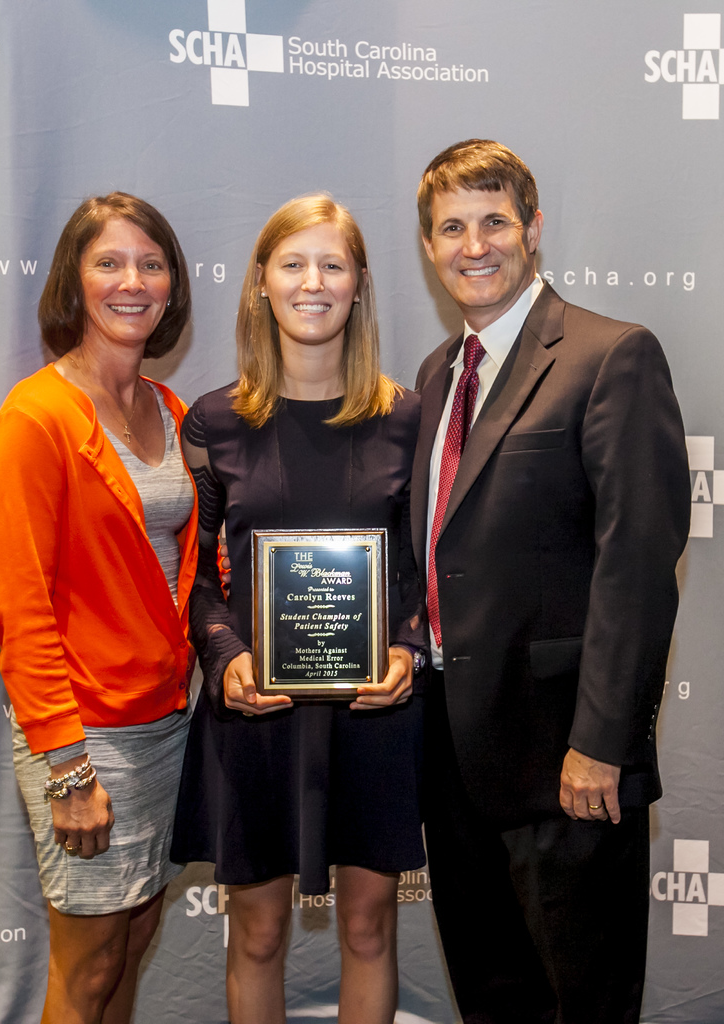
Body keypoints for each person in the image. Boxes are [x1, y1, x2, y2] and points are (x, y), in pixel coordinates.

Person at [412, 139, 690, 1024]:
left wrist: (601, 742)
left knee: (585, 1002)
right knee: (493, 996)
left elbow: (638, 564)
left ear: (533, 230)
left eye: (494, 220)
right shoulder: (435, 377)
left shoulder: (611, 355)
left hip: (566, 761)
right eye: (452, 226)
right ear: (429, 246)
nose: (474, 243)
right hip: (453, 758)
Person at [171, 193, 426, 1024]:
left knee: (367, 926)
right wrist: (224, 654)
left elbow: (429, 570)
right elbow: (201, 574)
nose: (312, 282)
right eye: (293, 263)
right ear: (261, 284)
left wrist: (410, 651)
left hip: (373, 709)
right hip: (256, 709)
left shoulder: (407, 421)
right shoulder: (214, 421)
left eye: (333, 264)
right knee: (256, 933)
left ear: (359, 286)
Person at [0, 192, 197, 1024]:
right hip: (86, 737)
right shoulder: (35, 417)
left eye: (151, 264)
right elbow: (22, 611)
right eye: (109, 262)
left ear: (173, 287)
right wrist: (69, 771)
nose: (132, 281)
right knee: (85, 967)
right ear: (75, 281)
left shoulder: (173, 411)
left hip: (169, 724)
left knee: (133, 941)